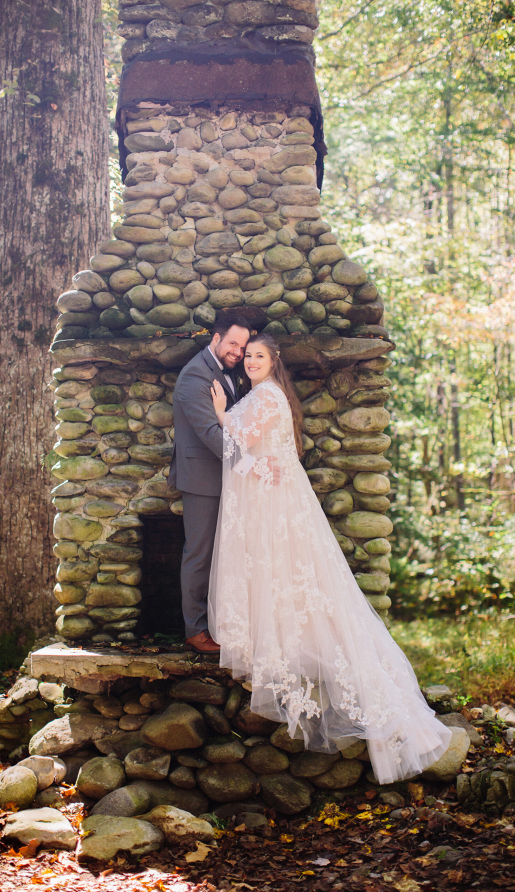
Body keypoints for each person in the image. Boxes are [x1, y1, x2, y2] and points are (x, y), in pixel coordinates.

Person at [207, 333, 452, 784]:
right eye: (249, 357)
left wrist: (222, 414)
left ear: (274, 361)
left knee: (286, 570)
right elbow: (256, 453)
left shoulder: (264, 396)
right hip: (272, 498)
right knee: (283, 572)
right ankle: (282, 635)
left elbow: (245, 437)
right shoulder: (266, 394)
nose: (251, 362)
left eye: (260, 356)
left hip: (273, 504)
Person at [168, 312, 251, 653]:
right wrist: (251, 466)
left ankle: (223, 623)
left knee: (226, 555)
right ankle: (195, 630)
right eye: (233, 343)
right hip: (202, 478)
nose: (238, 351)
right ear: (215, 339)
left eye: (244, 346)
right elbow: (209, 434)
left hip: (226, 477)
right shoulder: (194, 376)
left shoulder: (228, 373)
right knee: (199, 554)